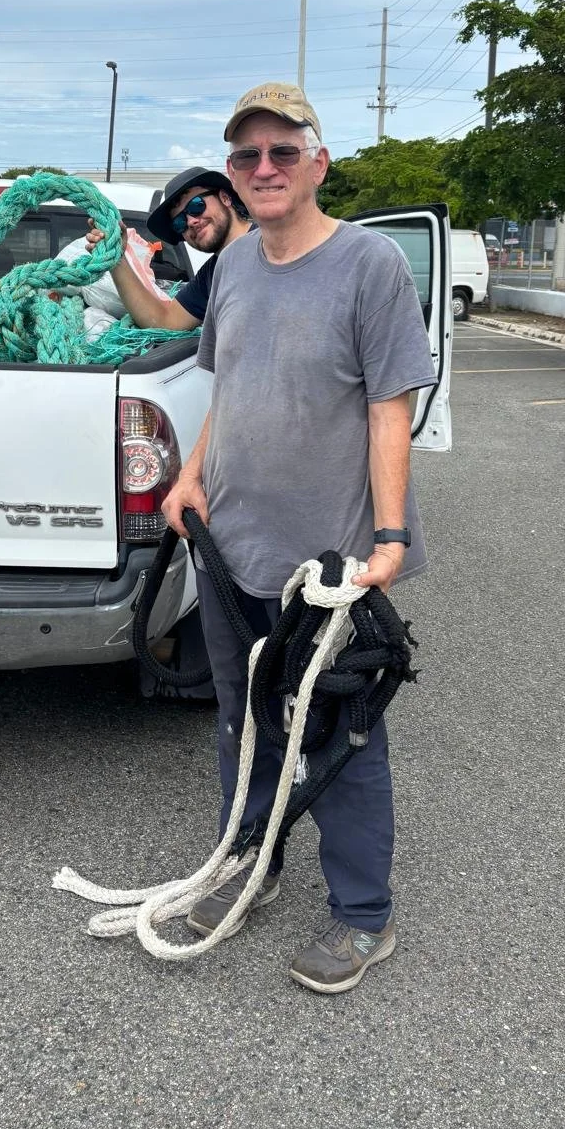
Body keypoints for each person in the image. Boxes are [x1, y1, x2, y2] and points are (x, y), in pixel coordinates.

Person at [160, 82, 438, 995]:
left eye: (284, 152)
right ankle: (254, 862)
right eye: (248, 157)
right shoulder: (234, 267)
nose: (265, 168)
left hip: (329, 567)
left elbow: (391, 408)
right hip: (230, 547)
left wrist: (391, 535)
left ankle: (364, 916)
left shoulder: (369, 267)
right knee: (242, 723)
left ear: (319, 161)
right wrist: (192, 475)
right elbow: (224, 387)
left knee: (339, 734)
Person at [84, 165, 251, 330]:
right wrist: (117, 256)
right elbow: (165, 321)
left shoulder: (270, 241)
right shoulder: (212, 275)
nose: (190, 222)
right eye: (179, 222)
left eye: (196, 206)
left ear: (225, 198)